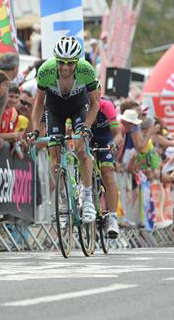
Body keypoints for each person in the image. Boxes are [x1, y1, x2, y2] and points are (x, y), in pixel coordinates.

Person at [31, 36, 100, 223]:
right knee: (54, 155)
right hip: (55, 108)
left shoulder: (86, 69)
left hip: (79, 105)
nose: (65, 67)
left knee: (80, 147)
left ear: (77, 61)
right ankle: (63, 200)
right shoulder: (46, 71)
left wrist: (86, 128)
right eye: (61, 62)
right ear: (56, 60)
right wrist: (36, 130)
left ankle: (87, 199)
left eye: (70, 63)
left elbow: (95, 104)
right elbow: (38, 104)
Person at [90, 97, 121, 237]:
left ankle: (113, 218)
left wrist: (114, 143)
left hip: (105, 141)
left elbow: (118, 133)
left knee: (107, 174)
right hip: (87, 141)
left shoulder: (106, 106)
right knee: (86, 171)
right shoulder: (80, 104)